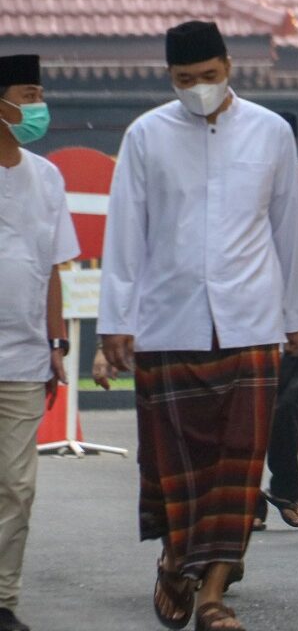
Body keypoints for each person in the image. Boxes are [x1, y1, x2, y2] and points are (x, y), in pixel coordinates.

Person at [98, 21, 298, 631]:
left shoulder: (271, 133)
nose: (198, 88)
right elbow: (125, 231)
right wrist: (117, 319)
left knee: (239, 467)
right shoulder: (145, 136)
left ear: (229, 67)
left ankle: (214, 592)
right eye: (184, 80)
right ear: (170, 78)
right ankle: (174, 561)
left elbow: (288, 228)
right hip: (168, 325)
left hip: (250, 323)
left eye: (208, 76)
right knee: (176, 464)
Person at [0, 54, 78, 631]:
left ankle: (2, 600)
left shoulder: (47, 177)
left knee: (17, 485)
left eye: (39, 94)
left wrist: (56, 342)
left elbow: (53, 267)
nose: (37, 107)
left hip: (24, 358)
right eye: (28, 94)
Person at [253, 111, 298, 532]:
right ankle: (249, 503)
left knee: (287, 409)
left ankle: (287, 494)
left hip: (293, 319)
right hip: (248, 316)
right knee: (244, 415)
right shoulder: (247, 184)